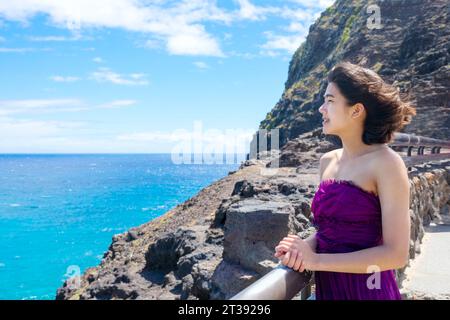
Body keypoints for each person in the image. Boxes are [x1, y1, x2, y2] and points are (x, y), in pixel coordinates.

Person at [274, 61, 416, 300]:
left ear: (356, 110)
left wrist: (316, 261)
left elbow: (396, 254)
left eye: (330, 101)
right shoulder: (327, 161)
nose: (321, 109)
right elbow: (331, 232)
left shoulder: (386, 163)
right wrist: (302, 247)